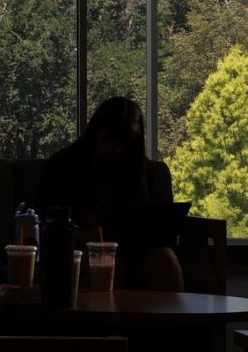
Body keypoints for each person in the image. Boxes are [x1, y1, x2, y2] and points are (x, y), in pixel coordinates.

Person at [35, 96, 185, 291]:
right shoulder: (62, 166)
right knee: (109, 262)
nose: (117, 148)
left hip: (136, 249)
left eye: (125, 142)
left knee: (166, 260)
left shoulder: (144, 172)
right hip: (83, 246)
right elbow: (41, 219)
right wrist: (80, 234)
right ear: (96, 131)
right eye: (111, 139)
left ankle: (175, 322)